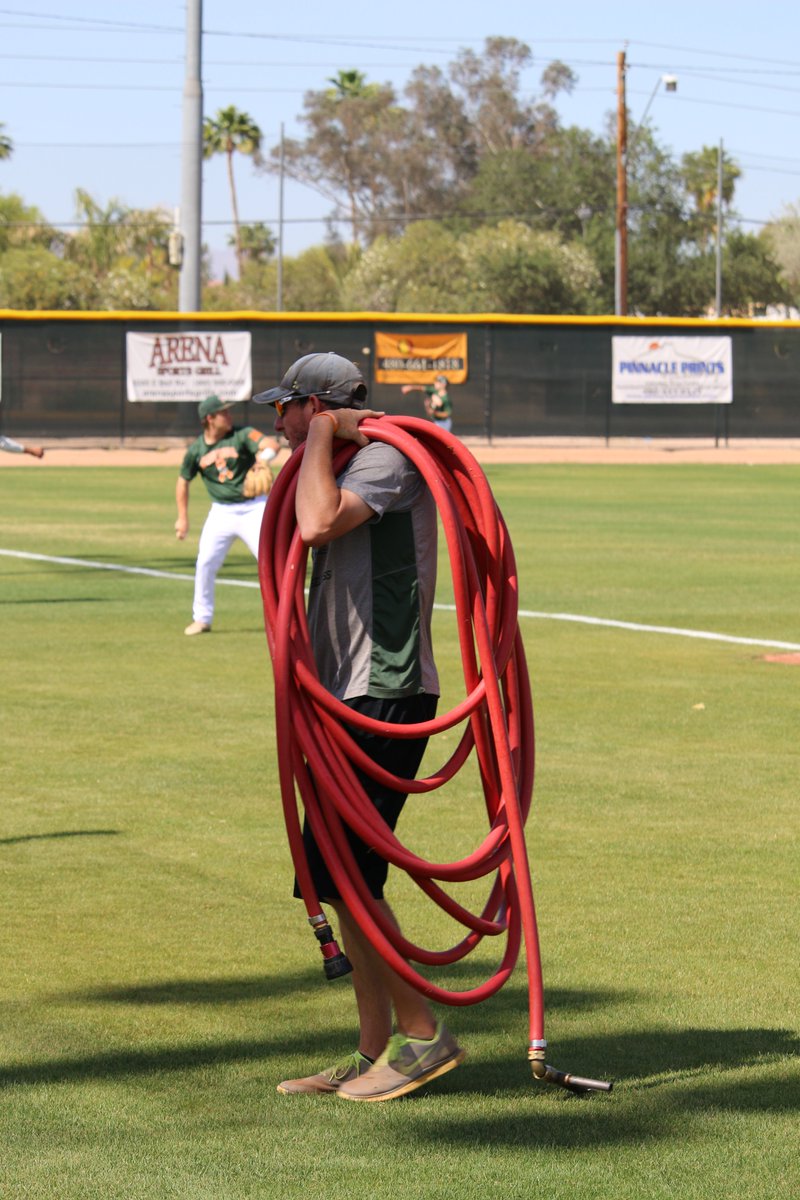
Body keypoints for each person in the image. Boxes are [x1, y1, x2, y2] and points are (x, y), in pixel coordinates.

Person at [253, 351, 464, 1102]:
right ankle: (375, 1047)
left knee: (348, 864)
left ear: (321, 406)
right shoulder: (339, 462)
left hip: (386, 688)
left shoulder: (387, 464)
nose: (277, 420)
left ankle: (423, 1034)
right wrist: (316, 443)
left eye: (289, 408)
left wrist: (322, 440)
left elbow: (314, 523)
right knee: (338, 871)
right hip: (341, 693)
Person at [175, 394, 278, 636]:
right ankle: (201, 619)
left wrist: (262, 460)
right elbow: (182, 481)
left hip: (254, 508)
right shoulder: (196, 450)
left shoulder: (242, 434)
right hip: (221, 512)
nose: (229, 416)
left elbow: (271, 445)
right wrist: (182, 518)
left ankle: (281, 617)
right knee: (205, 563)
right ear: (209, 419)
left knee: (270, 561)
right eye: (224, 413)